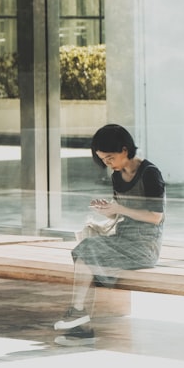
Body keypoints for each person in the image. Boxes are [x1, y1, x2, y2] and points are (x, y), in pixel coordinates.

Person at [53, 124, 165, 343]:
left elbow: (155, 216)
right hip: (123, 240)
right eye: (103, 160)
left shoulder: (150, 173)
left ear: (125, 150)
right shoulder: (117, 175)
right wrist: (108, 211)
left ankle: (79, 319)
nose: (108, 164)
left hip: (144, 248)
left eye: (110, 158)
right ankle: (81, 325)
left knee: (88, 251)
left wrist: (119, 209)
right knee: (89, 255)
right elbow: (122, 216)